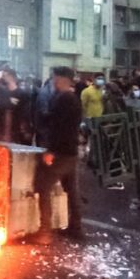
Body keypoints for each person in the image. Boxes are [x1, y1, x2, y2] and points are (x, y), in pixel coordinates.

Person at [30, 67, 85, 246]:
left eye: (55, 79)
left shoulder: (63, 99)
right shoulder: (74, 98)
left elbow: (58, 128)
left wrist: (50, 150)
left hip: (60, 152)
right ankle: (76, 228)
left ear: (63, 80)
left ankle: (45, 231)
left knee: (43, 185)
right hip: (71, 151)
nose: (53, 82)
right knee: (72, 190)